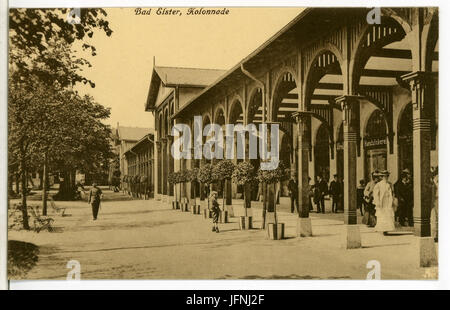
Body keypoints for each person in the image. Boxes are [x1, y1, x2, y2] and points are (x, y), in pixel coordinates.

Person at [373, 170, 395, 235]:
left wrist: (391, 201)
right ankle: (382, 229)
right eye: (384, 176)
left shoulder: (389, 184)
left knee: (387, 214)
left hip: (387, 201)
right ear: (382, 177)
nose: (386, 177)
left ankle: (386, 229)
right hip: (381, 202)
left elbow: (391, 193)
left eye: (387, 176)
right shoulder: (378, 185)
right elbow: (376, 194)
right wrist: (377, 202)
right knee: (382, 215)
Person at [430, 167, 438, 242]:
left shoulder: (435, 180)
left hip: (436, 199)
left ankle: (435, 235)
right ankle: (435, 235)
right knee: (434, 217)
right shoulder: (434, 180)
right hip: (434, 199)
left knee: (434, 217)